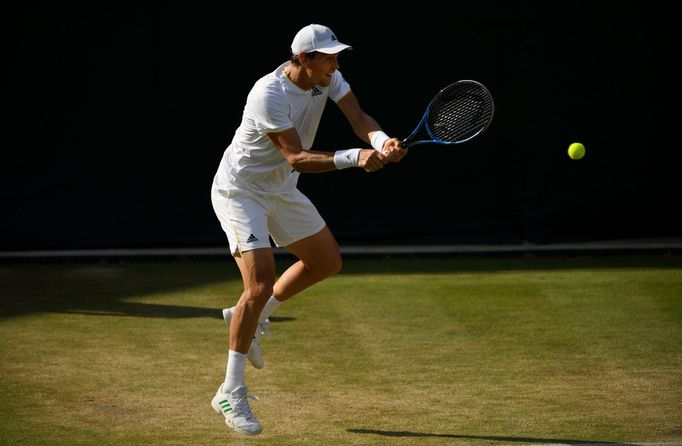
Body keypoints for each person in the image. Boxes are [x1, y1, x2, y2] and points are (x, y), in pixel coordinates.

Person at [209, 23, 407, 436]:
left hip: (280, 189)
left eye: (336, 57)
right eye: (327, 58)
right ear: (303, 60)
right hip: (241, 191)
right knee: (259, 282)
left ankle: (255, 316)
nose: (335, 65)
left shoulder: (328, 78)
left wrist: (382, 140)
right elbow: (297, 157)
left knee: (326, 261)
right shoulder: (268, 94)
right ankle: (230, 390)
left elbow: (358, 117)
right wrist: (357, 158)